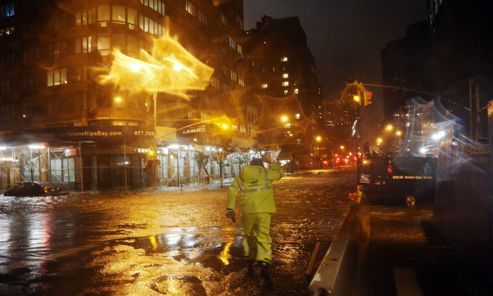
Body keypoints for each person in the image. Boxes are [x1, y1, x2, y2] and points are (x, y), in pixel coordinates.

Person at [225, 155, 283, 287]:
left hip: (248, 211)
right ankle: (263, 266)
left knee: (248, 237)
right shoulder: (266, 174)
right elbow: (280, 173)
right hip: (264, 211)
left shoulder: (241, 177)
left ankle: (250, 263)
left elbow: (232, 190)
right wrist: (273, 162)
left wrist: (230, 209)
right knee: (263, 237)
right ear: (261, 166)